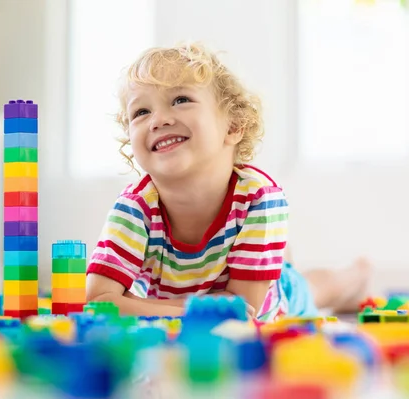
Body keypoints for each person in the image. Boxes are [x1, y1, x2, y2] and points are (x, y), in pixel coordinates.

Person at [85, 42, 370, 321]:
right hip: (189, 300)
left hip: (273, 301)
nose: (157, 120)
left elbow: (243, 311)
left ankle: (355, 275)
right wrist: (195, 309)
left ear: (233, 126)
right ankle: (279, 257)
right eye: (141, 112)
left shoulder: (260, 196)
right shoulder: (134, 207)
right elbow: (99, 302)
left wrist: (138, 304)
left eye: (181, 100)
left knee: (313, 289)